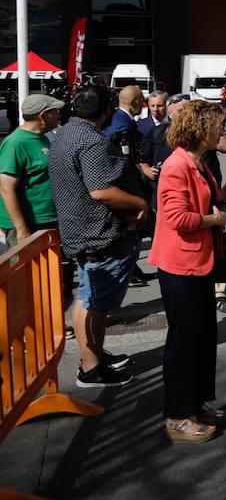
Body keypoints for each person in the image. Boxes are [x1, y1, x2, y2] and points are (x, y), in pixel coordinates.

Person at [147, 100, 226, 443]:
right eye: (216, 125)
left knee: (201, 336)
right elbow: (176, 218)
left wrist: (222, 193)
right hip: (180, 265)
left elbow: (199, 198)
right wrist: (213, 219)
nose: (221, 131)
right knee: (184, 340)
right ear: (202, 130)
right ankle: (177, 415)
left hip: (198, 262)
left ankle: (196, 403)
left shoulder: (194, 161)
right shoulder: (177, 165)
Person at [49, 86, 148, 388]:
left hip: (84, 232)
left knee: (87, 300)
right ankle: (91, 368)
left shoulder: (65, 133)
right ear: (105, 109)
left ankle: (91, 357)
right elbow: (101, 191)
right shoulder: (91, 142)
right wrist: (139, 203)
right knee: (95, 304)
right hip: (98, 236)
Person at [0, 94, 63, 246]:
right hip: (29, 225)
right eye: (55, 110)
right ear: (43, 116)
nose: (59, 113)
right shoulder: (16, 143)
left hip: (45, 220)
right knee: (30, 270)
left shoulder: (43, 137)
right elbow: (6, 188)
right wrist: (21, 229)